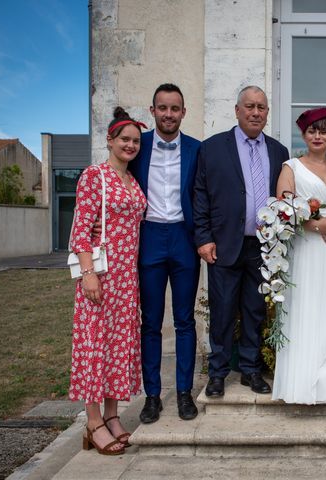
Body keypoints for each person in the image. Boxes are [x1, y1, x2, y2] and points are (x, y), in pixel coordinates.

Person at [194, 85, 289, 398]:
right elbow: (200, 196)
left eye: (261, 107)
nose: (256, 112)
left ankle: (250, 370)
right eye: (249, 106)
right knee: (222, 311)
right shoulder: (211, 148)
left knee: (254, 311)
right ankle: (218, 373)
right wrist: (204, 237)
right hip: (224, 244)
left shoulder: (278, 151)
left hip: (263, 247)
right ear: (237, 110)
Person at [69, 107, 147, 455]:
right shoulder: (93, 176)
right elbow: (80, 232)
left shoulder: (133, 180)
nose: (130, 145)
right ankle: (93, 422)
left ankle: (114, 416)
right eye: (124, 139)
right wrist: (88, 275)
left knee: (118, 348)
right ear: (110, 141)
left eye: (135, 141)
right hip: (100, 276)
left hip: (127, 279)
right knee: (94, 347)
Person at [271, 107, 326, 404]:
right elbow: (282, 210)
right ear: (304, 135)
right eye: (312, 130)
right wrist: (312, 223)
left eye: (323, 130)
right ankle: (305, 377)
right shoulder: (291, 167)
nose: (318, 135)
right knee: (307, 305)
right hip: (306, 247)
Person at [127, 83, 202, 423]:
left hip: (185, 238)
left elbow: (204, 197)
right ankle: (152, 396)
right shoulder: (136, 147)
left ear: (183, 113)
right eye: (163, 108)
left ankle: (184, 393)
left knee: (185, 321)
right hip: (150, 237)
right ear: (152, 111)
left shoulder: (197, 150)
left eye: (175, 108)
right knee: (151, 323)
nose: (169, 114)